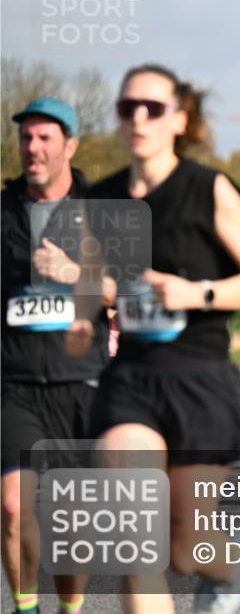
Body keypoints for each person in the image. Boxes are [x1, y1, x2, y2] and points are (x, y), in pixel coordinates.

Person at [73, 64, 240, 613]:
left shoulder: (208, 188)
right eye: (126, 107)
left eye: (152, 108)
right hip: (131, 378)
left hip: (200, 377)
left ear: (178, 120)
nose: (138, 117)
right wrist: (79, 297)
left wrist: (195, 294)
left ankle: (228, 560)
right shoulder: (103, 199)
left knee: (186, 551)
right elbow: (98, 289)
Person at [2, 98, 108, 614]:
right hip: (13, 383)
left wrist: (74, 274)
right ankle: (26, 609)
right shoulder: (3, 213)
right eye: (25, 138)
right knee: (13, 506)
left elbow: (136, 290)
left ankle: (71, 608)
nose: (32, 147)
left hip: (81, 381)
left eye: (44, 138)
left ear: (70, 145)